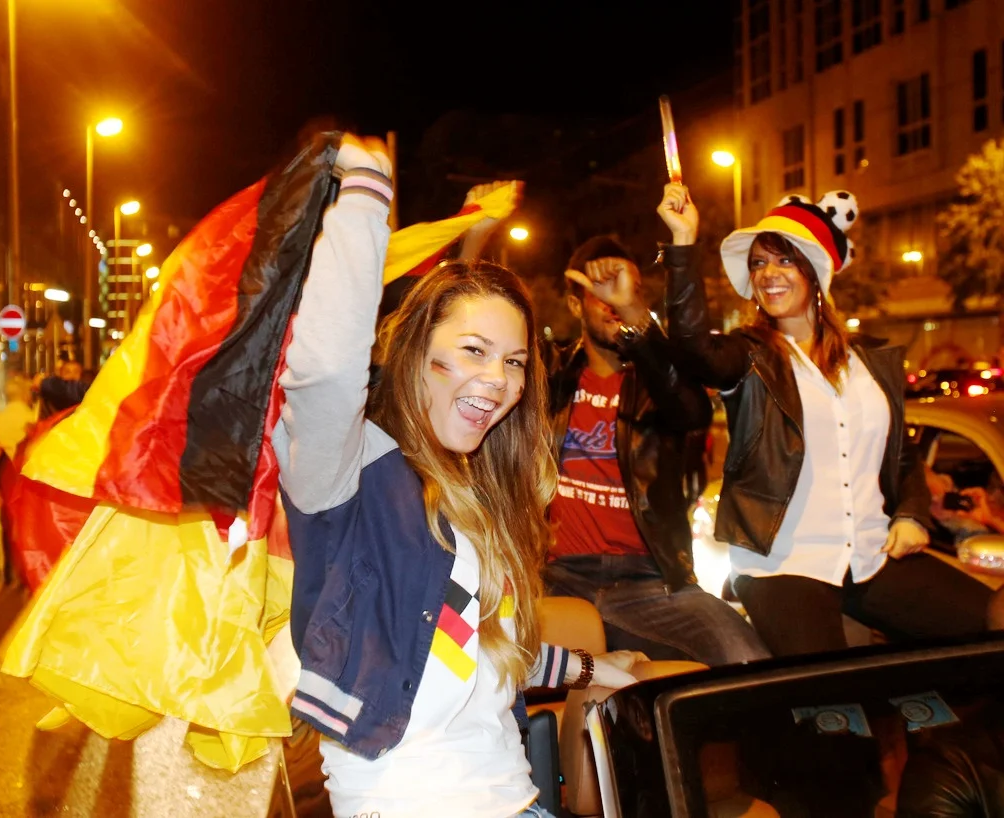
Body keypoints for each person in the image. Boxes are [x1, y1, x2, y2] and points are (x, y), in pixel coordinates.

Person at [273, 135, 639, 818]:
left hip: (519, 801)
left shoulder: (478, 498)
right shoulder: (348, 474)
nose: (498, 380)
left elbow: (478, 645)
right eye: (473, 350)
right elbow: (324, 369)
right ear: (416, 353)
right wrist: (365, 194)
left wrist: (597, 668)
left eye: (514, 362)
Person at [657, 184, 994, 657]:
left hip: (872, 555)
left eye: (785, 260)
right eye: (759, 263)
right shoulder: (750, 355)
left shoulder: (871, 361)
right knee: (828, 691)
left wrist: (912, 513)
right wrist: (683, 243)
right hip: (782, 564)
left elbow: (902, 455)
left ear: (816, 272)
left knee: (994, 618)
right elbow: (692, 348)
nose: (769, 273)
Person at [542, 235, 769, 667]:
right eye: (601, 292)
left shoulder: (658, 383)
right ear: (574, 304)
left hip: (648, 582)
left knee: (747, 659)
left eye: (627, 290)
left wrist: (635, 316)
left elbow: (692, 411)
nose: (614, 302)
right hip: (556, 576)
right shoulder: (549, 373)